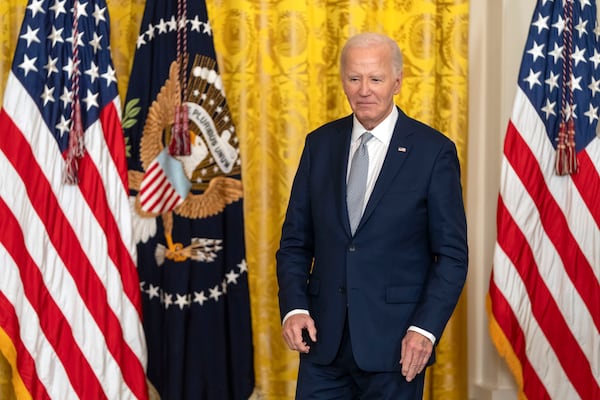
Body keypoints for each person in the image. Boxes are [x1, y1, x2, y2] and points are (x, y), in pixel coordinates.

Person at [276, 32, 468, 399]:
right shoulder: (320, 144)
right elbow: (295, 243)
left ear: (397, 81)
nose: (364, 89)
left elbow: (452, 256)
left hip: (396, 347)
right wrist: (294, 308)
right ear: (343, 82)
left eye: (375, 79)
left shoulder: (433, 152)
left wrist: (424, 330)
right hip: (322, 344)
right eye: (354, 78)